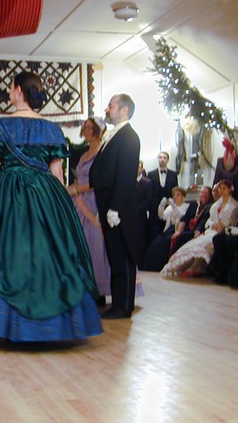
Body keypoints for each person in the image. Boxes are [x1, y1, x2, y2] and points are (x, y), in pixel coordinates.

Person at [0, 71, 102, 342]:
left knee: (1, 250)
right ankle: (54, 323)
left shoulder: (0, 126)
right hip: (45, 193)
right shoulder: (52, 129)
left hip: (7, 191)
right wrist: (61, 211)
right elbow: (58, 175)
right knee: (49, 252)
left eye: (12, 88)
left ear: (17, 91)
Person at [89, 93, 140, 319]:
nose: (107, 110)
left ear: (123, 110)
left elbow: (126, 175)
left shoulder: (129, 136)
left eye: (111, 106)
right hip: (107, 205)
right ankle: (118, 303)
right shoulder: (113, 134)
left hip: (118, 208)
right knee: (114, 256)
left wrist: (115, 208)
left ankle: (123, 306)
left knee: (122, 255)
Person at [66, 117, 111, 306]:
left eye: (90, 128)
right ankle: (82, 287)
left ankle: (98, 289)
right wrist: (66, 189)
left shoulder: (104, 152)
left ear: (98, 131)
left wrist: (76, 190)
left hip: (94, 203)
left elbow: (99, 181)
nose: (86, 131)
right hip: (79, 203)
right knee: (78, 243)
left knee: (96, 244)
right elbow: (80, 180)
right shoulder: (85, 153)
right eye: (85, 128)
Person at [161, 179, 238, 278]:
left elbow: (234, 222)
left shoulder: (234, 206)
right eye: (220, 189)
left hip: (223, 232)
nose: (222, 191)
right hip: (211, 230)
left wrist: (223, 225)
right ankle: (181, 266)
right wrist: (213, 224)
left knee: (205, 245)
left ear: (230, 190)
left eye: (224, 189)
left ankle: (196, 268)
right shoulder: (215, 205)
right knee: (194, 244)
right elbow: (209, 220)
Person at [140, 186, 190, 271]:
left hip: (178, 229)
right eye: (174, 195)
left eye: (178, 195)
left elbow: (182, 216)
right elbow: (162, 216)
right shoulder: (170, 207)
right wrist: (161, 206)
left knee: (164, 243)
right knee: (156, 242)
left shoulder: (186, 206)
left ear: (183, 197)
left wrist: (174, 207)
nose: (175, 197)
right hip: (169, 229)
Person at [168, 185, 213, 256]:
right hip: (187, 229)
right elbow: (185, 218)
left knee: (182, 237)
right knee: (175, 236)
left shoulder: (210, 207)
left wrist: (197, 233)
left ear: (210, 196)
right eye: (201, 192)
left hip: (198, 231)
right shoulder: (194, 204)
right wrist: (179, 231)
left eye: (205, 193)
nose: (203, 195)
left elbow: (203, 221)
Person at [146, 151, 179, 246]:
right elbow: (149, 191)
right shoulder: (150, 174)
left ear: (167, 160)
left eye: (164, 157)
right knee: (154, 231)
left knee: (167, 230)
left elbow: (175, 190)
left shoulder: (173, 174)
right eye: (160, 157)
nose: (162, 159)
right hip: (154, 208)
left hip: (169, 207)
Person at [136, 160, 153, 267]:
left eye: (138, 167)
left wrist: (137, 209)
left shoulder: (147, 182)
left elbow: (148, 199)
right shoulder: (128, 181)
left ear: (142, 169)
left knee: (140, 238)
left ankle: (140, 262)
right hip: (129, 215)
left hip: (140, 214)